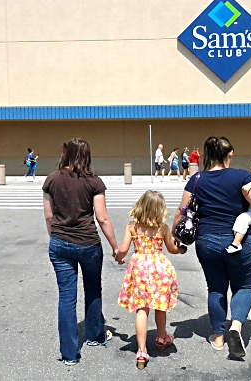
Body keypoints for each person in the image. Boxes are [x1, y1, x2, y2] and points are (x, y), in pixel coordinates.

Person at [171, 136, 251, 360]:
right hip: (239, 241)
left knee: (216, 288)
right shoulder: (242, 176)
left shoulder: (196, 179)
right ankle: (235, 327)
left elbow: (182, 210)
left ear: (206, 155)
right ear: (230, 154)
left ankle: (217, 337)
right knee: (244, 285)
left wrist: (173, 234)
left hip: (207, 241)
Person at [43, 138, 120, 366]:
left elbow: (49, 216)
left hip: (59, 243)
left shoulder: (52, 179)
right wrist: (116, 246)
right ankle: (95, 335)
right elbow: (102, 217)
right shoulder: (94, 182)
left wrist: (55, 236)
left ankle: (69, 354)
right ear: (87, 155)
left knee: (66, 296)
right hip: (88, 244)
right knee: (93, 288)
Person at [115, 190, 186, 369]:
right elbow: (171, 248)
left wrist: (119, 257)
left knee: (142, 308)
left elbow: (123, 249)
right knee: (159, 306)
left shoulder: (132, 227)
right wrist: (181, 249)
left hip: (139, 268)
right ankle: (162, 338)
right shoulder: (162, 228)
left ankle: (141, 351)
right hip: (159, 268)